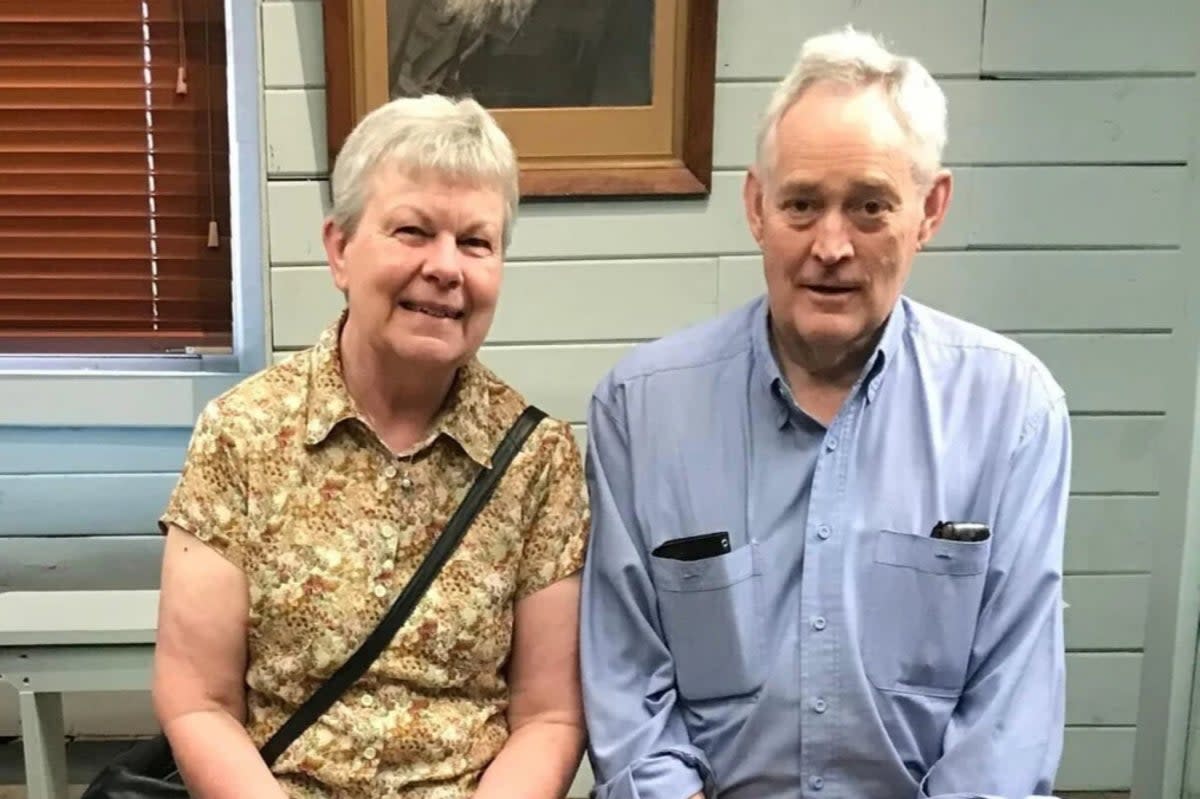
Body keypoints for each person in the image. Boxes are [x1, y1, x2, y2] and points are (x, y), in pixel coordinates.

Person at [579, 26, 1070, 799]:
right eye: (802, 204)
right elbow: (628, 690)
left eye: (870, 206)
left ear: (930, 209)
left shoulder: (1012, 411)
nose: (831, 245)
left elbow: (1010, 713)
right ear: (756, 206)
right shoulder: (641, 411)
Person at [152, 94, 590, 798]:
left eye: (475, 241)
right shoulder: (242, 435)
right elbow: (197, 699)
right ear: (339, 248)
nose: (446, 267)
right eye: (413, 230)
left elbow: (549, 714)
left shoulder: (539, 460)